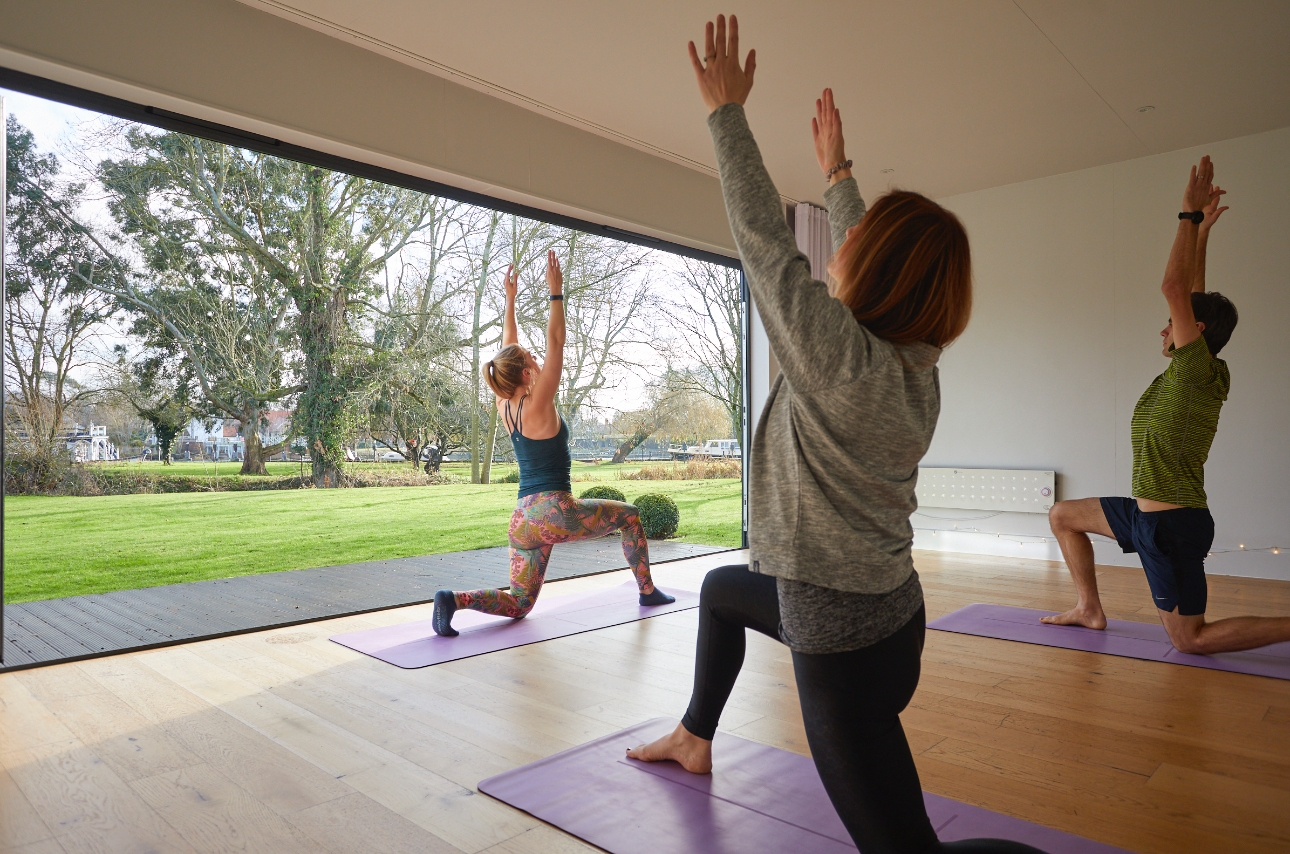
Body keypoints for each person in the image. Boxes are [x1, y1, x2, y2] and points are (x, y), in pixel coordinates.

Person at [628, 15, 1044, 854]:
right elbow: (867, 256)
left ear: (873, 272)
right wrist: (840, 172)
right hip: (892, 617)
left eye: (856, 241)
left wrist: (726, 115)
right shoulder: (915, 364)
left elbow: (766, 247)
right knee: (720, 593)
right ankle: (695, 735)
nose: (841, 245)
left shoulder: (839, 359)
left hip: (841, 645)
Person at [1043, 157, 1290, 654]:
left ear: (1195, 334)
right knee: (1063, 515)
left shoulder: (1198, 371)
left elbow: (1176, 290)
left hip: (1172, 526)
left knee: (1190, 641)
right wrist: (1200, 238)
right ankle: (1089, 608)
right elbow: (1192, 297)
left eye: (1172, 323)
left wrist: (1186, 216)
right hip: (1143, 511)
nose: (1164, 328)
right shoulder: (1192, 367)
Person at [432, 250, 674, 637]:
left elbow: (508, 351)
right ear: (527, 373)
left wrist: (510, 301)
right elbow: (557, 342)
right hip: (555, 512)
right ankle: (646, 591)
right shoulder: (537, 401)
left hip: (522, 521)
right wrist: (555, 293)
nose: (536, 355)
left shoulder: (505, 402)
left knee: (519, 604)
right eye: (531, 357)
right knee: (630, 515)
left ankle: (453, 599)